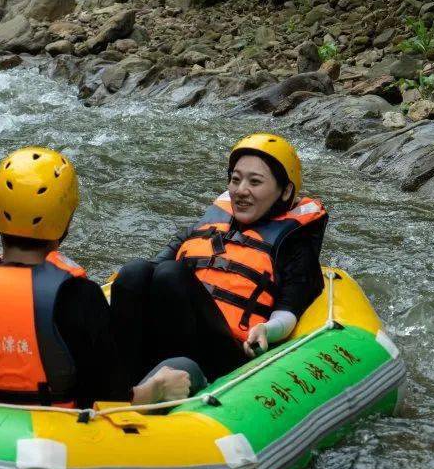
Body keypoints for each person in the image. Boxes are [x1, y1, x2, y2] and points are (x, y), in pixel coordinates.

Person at [0, 146, 193, 409]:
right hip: (55, 440)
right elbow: (112, 404)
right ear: (64, 224)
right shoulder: (78, 295)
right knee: (182, 366)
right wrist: (156, 388)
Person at [112, 133, 328, 382]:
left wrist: (267, 329)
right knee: (134, 271)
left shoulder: (294, 243)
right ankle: (120, 386)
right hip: (172, 336)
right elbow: (152, 269)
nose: (241, 191)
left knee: (171, 275)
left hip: (227, 354)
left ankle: (174, 381)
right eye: (235, 180)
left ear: (285, 191)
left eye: (255, 182)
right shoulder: (211, 224)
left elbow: (289, 310)